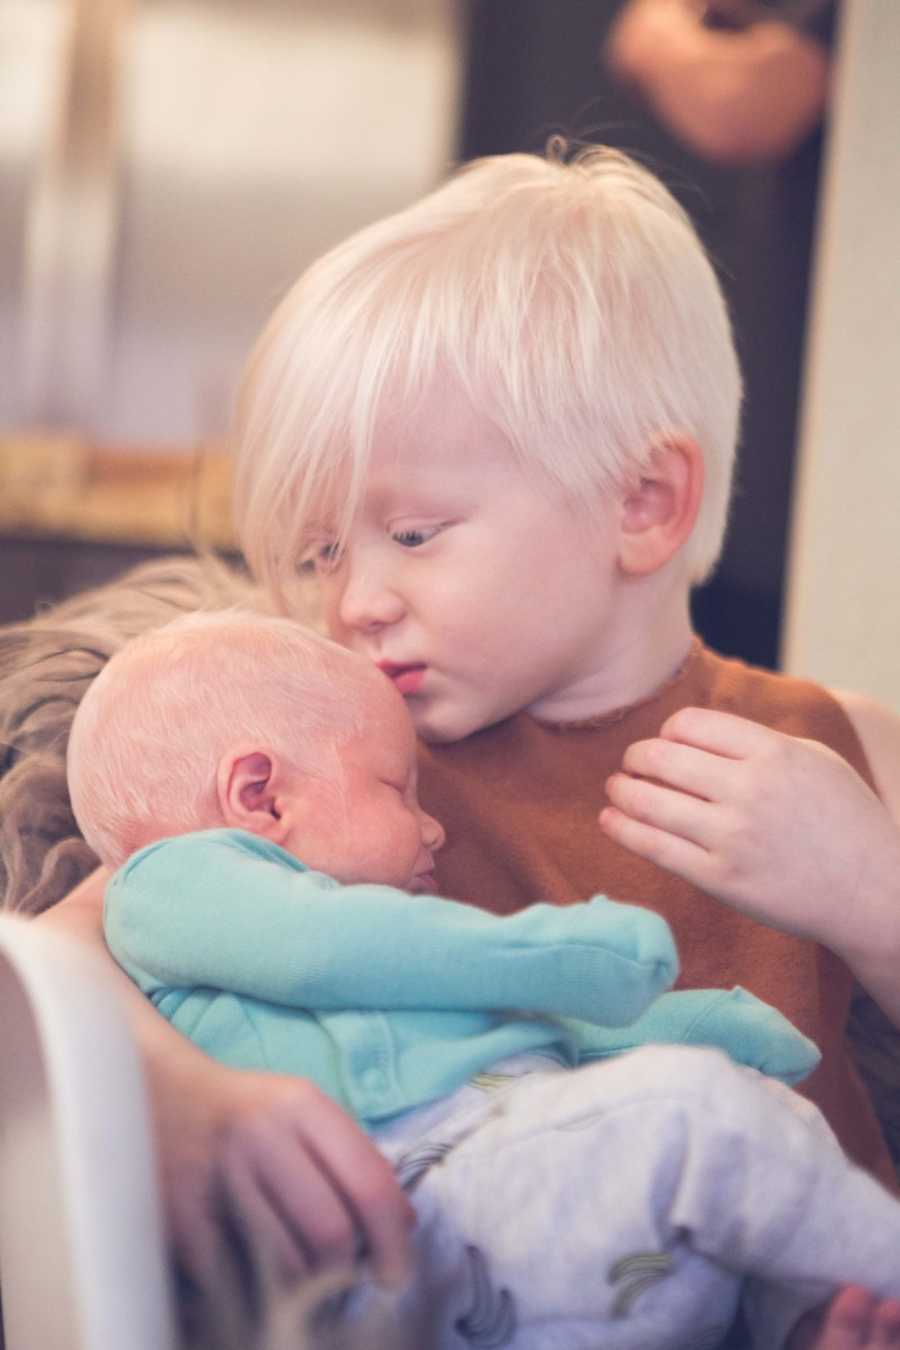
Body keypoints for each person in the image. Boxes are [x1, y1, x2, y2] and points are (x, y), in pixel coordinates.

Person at [20, 142, 900, 1348]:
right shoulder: (320, 755)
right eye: (325, 553)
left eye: (414, 533)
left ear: (644, 504)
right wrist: (175, 1099)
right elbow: (39, 968)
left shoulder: (843, 743)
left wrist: (871, 890)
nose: (353, 602)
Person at [64, 607, 900, 1349]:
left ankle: (803, 1321)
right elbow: (331, 946)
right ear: (261, 796)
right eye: (399, 788)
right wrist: (561, 955)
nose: (434, 828)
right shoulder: (170, 883)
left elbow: (557, 1038)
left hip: (526, 1223)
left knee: (757, 1108)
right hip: (416, 1209)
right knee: (700, 1117)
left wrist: (711, 1025)